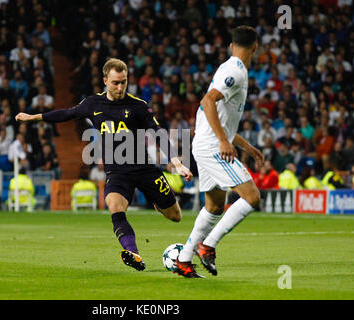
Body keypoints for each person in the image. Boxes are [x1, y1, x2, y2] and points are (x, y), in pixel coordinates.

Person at [15, 58, 192, 271]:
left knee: (176, 217)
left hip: (144, 168)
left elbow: (159, 134)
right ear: (105, 80)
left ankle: (156, 203)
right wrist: (34, 117)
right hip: (117, 171)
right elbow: (67, 114)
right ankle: (134, 253)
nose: (120, 87)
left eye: (124, 82)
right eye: (116, 82)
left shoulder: (138, 106)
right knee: (115, 207)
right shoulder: (92, 104)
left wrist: (176, 162)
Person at [174, 26, 264, 278]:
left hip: (205, 143)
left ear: (231, 44)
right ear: (255, 47)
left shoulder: (230, 68)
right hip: (213, 146)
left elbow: (219, 117)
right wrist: (224, 142)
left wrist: (247, 147)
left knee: (214, 207)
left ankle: (183, 259)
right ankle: (207, 245)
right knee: (252, 196)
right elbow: (207, 101)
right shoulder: (235, 71)